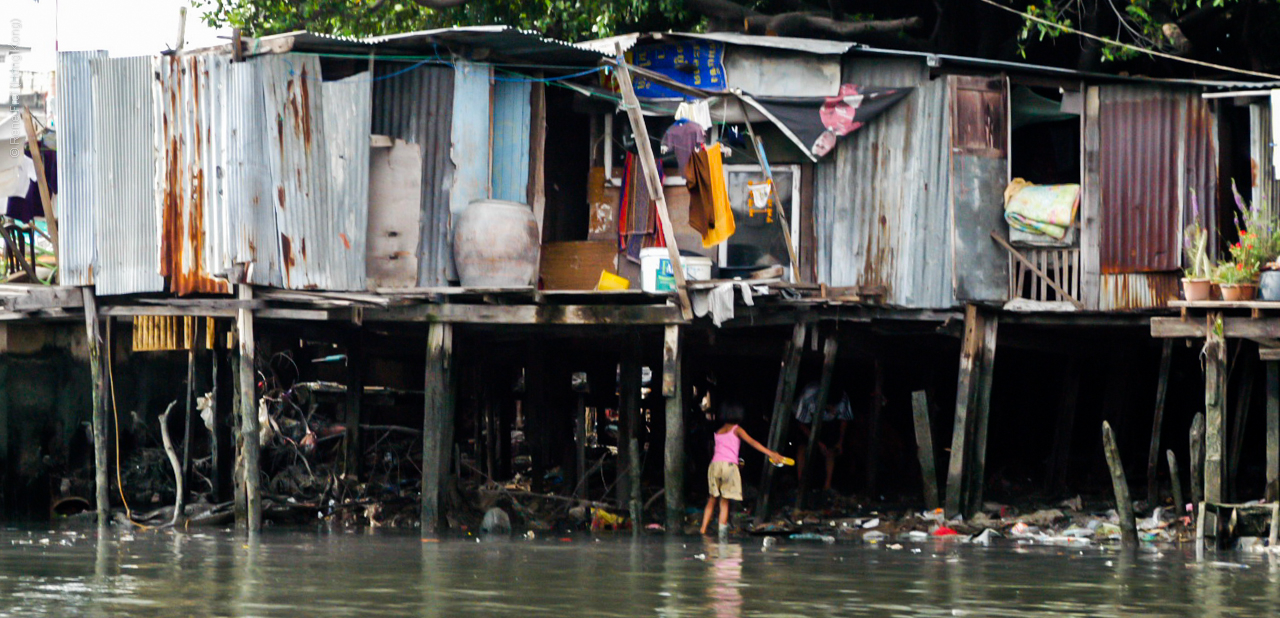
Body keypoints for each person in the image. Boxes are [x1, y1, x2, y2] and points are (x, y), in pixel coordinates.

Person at [701, 401, 784, 536]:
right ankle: (722, 535)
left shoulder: (719, 431)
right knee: (724, 502)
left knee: (711, 499)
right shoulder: (737, 429)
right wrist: (771, 453)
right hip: (728, 466)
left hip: (714, 465)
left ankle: (703, 530)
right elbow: (752, 442)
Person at [794, 381, 854, 492]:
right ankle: (801, 484)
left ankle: (827, 486)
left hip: (828, 422)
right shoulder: (808, 397)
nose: (834, 409)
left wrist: (840, 442)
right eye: (831, 406)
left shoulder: (843, 398)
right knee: (802, 446)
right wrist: (818, 443)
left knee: (831, 448)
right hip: (807, 420)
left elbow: (844, 420)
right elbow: (801, 424)